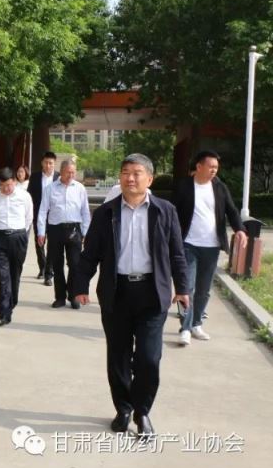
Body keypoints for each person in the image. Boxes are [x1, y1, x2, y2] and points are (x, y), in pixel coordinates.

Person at [72, 153, 189, 437]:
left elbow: (177, 253)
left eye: (137, 173)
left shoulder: (165, 211)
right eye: (125, 172)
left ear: (149, 179)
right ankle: (123, 408)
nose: (130, 178)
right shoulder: (106, 213)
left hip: (152, 293)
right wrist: (80, 286)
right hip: (117, 292)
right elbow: (90, 254)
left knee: (149, 358)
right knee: (119, 356)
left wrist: (183, 288)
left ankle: (142, 411)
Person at [172, 150, 247, 346]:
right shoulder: (184, 186)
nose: (214, 170)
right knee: (186, 287)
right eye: (211, 166)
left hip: (211, 246)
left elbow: (231, 210)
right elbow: (172, 212)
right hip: (187, 244)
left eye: (216, 167)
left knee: (204, 290)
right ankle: (185, 328)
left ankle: (196, 324)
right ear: (199, 166)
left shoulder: (220, 187)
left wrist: (240, 230)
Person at [37, 159, 91, 310]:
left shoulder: (79, 188)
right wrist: (41, 232)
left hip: (74, 230)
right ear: (61, 172)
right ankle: (60, 297)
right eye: (68, 172)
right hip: (55, 229)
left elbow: (85, 212)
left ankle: (73, 295)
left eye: (73, 172)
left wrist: (85, 232)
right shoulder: (50, 188)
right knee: (57, 264)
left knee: (75, 264)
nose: (71, 175)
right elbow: (42, 211)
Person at [0, 168, 34, 326]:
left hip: (18, 237)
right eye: (2, 185)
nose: (6, 189)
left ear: (14, 181)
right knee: (3, 277)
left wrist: (18, 232)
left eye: (9, 185)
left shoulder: (24, 196)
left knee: (15, 274)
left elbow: (29, 218)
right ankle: (4, 313)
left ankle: (12, 302)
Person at [28, 151, 58, 285]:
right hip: (38, 214)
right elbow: (29, 196)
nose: (48, 165)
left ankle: (49, 273)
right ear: (42, 163)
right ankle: (43, 267)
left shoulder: (59, 177)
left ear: (54, 164)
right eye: (46, 162)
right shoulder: (35, 177)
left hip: (54, 216)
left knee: (52, 244)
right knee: (39, 242)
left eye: (51, 163)